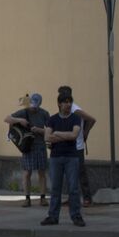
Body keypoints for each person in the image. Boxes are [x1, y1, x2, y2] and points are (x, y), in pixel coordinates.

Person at [40, 93, 85, 227]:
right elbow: (47, 137)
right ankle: (53, 216)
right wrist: (64, 136)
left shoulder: (76, 118)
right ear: (59, 104)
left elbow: (74, 135)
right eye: (65, 102)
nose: (68, 105)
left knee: (73, 189)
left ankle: (76, 216)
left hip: (72, 157)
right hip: (56, 158)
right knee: (55, 188)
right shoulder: (52, 119)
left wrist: (57, 134)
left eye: (70, 102)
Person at [5, 93, 49, 207]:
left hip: (40, 146)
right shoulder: (23, 112)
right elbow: (7, 119)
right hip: (28, 146)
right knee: (27, 173)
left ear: (39, 105)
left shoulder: (44, 113)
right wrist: (19, 120)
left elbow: (50, 131)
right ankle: (27, 198)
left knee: (42, 172)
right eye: (32, 105)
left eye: (36, 106)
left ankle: (43, 198)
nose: (33, 108)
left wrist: (39, 130)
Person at [57, 85, 96, 206]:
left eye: (63, 95)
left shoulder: (75, 109)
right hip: (67, 146)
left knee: (80, 173)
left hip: (77, 147)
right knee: (69, 173)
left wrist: (85, 133)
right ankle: (72, 197)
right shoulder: (63, 109)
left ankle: (87, 198)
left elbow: (91, 119)